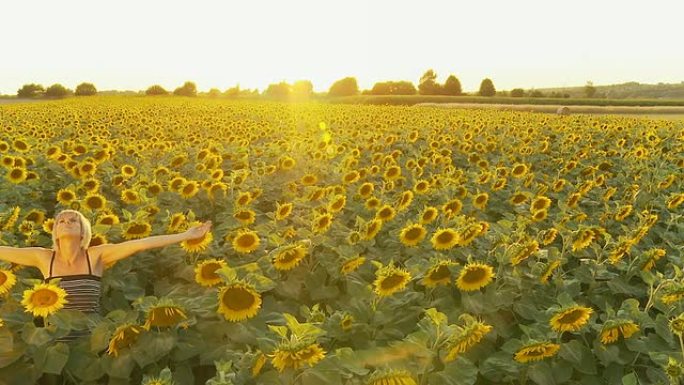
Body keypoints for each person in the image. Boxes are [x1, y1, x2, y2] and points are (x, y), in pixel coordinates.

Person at [0, 209, 212, 343]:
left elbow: (140, 244)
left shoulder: (96, 255)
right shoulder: (44, 258)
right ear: (54, 232)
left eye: (73, 220)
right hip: (54, 342)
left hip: (92, 341)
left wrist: (186, 235)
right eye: (60, 221)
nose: (66, 222)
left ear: (83, 231)